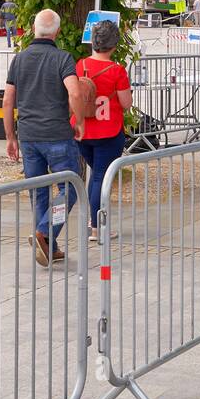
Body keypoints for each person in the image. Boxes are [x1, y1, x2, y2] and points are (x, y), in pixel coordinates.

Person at [4, 9, 82, 266]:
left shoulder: (20, 59)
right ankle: (45, 231)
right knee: (70, 189)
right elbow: (75, 92)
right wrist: (79, 120)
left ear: (34, 29)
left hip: (28, 136)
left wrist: (10, 137)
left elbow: (7, 100)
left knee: (38, 193)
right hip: (57, 134)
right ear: (57, 32)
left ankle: (48, 246)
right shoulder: (62, 58)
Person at [73, 20, 131, 244]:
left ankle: (92, 221)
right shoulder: (117, 70)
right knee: (99, 177)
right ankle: (97, 227)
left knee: (95, 174)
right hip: (109, 131)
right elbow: (126, 103)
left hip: (83, 129)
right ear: (114, 44)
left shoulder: (81, 65)